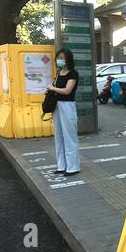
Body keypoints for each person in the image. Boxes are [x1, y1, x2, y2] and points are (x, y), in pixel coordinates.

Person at [47, 48, 80, 176]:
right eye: (58, 57)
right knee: (59, 136)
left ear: (68, 59)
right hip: (57, 106)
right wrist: (52, 89)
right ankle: (62, 166)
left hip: (67, 106)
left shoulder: (73, 74)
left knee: (69, 136)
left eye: (62, 57)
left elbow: (67, 91)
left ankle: (73, 167)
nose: (59, 60)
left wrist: (53, 88)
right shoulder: (59, 73)